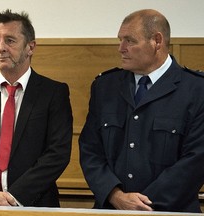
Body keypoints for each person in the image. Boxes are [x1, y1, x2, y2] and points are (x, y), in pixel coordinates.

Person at [79, 9, 204, 213]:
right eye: (120, 40)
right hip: (112, 208)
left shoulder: (196, 90)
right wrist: (115, 195)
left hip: (171, 211)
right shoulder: (105, 87)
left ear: (157, 41)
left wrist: (142, 205)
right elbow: (90, 149)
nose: (121, 48)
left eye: (129, 40)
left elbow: (196, 160)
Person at [0, 9, 73, 207]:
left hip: (35, 204)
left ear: (30, 47)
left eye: (10, 40)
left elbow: (58, 153)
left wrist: (15, 197)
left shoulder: (53, 93)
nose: (0, 48)